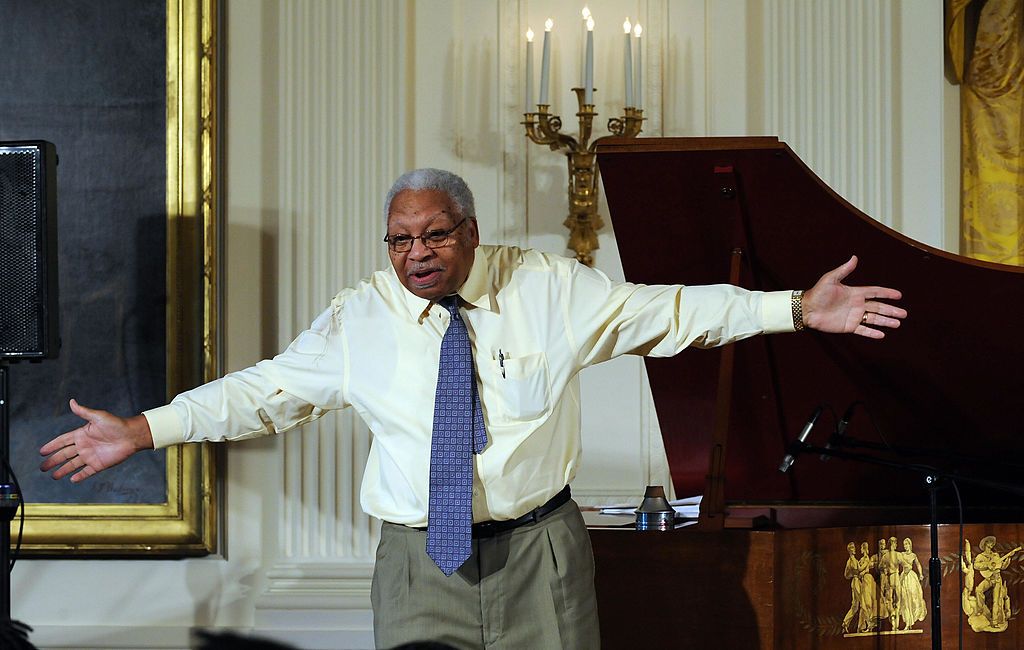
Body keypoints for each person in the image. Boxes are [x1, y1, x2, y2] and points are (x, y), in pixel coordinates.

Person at [39, 169, 907, 649]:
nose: (417, 255)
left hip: (543, 558)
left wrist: (794, 307)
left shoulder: (549, 290)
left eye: (435, 236)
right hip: (420, 567)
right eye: (400, 241)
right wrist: (147, 428)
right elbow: (262, 393)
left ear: (471, 232)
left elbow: (669, 313)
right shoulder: (360, 318)